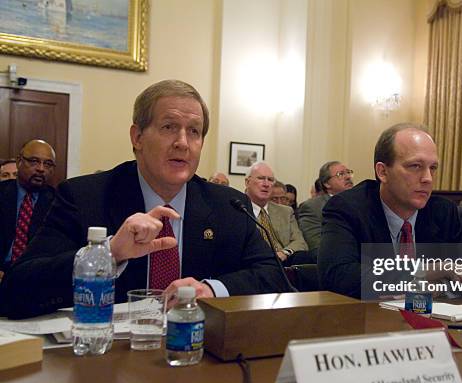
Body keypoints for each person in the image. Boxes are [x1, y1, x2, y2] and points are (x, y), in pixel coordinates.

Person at [0, 80, 289, 319]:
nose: (183, 143)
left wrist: (211, 290)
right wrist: (109, 254)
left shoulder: (227, 204)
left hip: (198, 358)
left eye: (194, 132)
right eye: (168, 127)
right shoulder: (84, 197)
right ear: (137, 137)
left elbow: (274, 277)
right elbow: (16, 290)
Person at [319, 123, 462, 299]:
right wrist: (424, 272)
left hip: (433, 326)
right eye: (415, 166)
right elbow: (338, 275)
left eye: (433, 168)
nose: (428, 178)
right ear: (382, 172)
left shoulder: (442, 211)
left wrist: (442, 285)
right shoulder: (348, 208)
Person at [0, 141, 56, 278]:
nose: (41, 169)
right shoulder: (2, 192)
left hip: (36, 276)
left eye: (48, 164)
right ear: (19, 161)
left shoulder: (58, 201)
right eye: (34, 161)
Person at [244, 162, 310, 266]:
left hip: (285, 262)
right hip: (253, 264)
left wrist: (284, 253)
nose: (266, 184)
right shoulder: (237, 209)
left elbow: (301, 243)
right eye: (261, 178)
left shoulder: (286, 212)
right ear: (247, 182)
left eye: (270, 180)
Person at [298, 161, 353, 252]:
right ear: (326, 183)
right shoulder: (313, 207)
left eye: (349, 172)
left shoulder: (362, 202)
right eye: (341, 174)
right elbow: (317, 245)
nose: (348, 177)